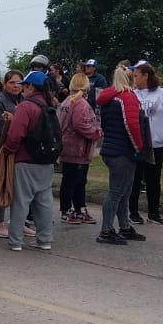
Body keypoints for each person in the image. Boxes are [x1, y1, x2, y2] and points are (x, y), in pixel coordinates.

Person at [2, 71, 57, 251]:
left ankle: (16, 241)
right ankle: (44, 240)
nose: (22, 88)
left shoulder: (26, 106)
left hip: (26, 160)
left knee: (21, 201)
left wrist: (8, 150)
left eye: (24, 85)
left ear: (30, 87)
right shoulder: (49, 105)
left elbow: (15, 135)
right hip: (47, 160)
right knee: (44, 201)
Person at [96, 67, 146, 245]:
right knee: (117, 192)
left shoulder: (108, 97)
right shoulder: (127, 97)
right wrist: (139, 147)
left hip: (110, 147)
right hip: (123, 150)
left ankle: (124, 226)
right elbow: (132, 125)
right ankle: (106, 230)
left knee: (123, 191)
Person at [129, 63, 163, 225]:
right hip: (137, 144)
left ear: (146, 76)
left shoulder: (162, 93)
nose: (134, 79)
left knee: (153, 180)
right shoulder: (132, 93)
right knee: (135, 179)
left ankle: (153, 213)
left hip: (156, 144)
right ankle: (133, 212)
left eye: (136, 76)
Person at [0, 70, 30, 239]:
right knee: (2, 185)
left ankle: (18, 221)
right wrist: (15, 125)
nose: (16, 86)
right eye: (12, 82)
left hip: (21, 150)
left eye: (19, 83)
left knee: (19, 189)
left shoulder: (24, 100)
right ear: (5, 84)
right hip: (3, 150)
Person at [58, 73, 102, 224]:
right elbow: (80, 124)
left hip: (68, 146)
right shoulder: (80, 103)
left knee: (74, 180)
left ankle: (78, 208)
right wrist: (96, 132)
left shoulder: (67, 101)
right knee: (74, 181)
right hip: (78, 148)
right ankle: (68, 210)